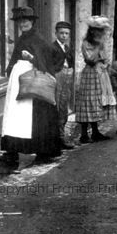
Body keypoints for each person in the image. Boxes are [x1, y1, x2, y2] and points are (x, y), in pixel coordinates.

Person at [0, 6, 62, 172]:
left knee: (23, 116)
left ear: (32, 21)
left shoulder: (37, 38)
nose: (22, 24)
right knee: (18, 115)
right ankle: (14, 151)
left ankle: (17, 152)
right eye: (20, 21)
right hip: (20, 80)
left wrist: (32, 58)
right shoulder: (24, 37)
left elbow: (50, 56)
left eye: (25, 21)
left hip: (30, 80)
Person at [74, 16, 114, 143]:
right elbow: (91, 60)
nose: (100, 33)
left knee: (97, 102)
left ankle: (95, 132)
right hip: (91, 74)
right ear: (92, 31)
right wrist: (98, 47)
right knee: (88, 102)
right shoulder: (87, 43)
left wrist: (104, 62)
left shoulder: (101, 43)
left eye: (101, 30)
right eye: (98, 30)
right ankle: (84, 135)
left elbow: (105, 59)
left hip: (100, 73)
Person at [49, 21, 76, 149]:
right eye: (61, 33)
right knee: (57, 105)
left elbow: (70, 62)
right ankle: (57, 138)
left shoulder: (67, 48)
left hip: (67, 76)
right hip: (57, 77)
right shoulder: (52, 47)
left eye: (66, 34)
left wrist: (70, 71)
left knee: (64, 105)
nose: (64, 36)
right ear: (56, 33)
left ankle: (61, 136)